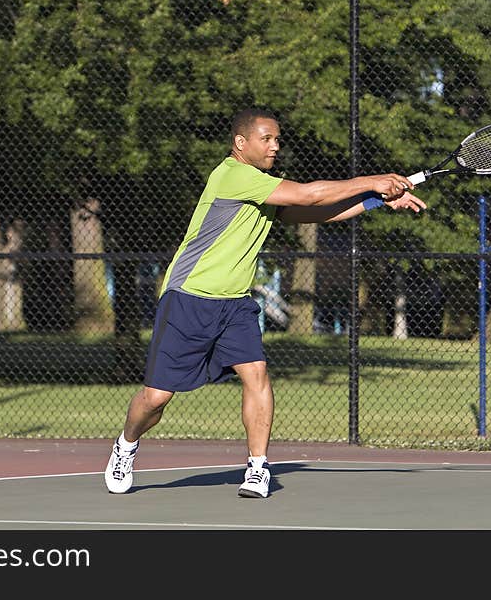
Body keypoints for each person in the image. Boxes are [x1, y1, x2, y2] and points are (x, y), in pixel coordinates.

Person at [104, 107, 426, 498]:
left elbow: (317, 211)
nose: (275, 146)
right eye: (267, 139)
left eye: (277, 139)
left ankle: (257, 468)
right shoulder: (233, 175)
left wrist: (376, 201)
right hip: (189, 298)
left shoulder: (264, 188)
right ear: (241, 144)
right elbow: (311, 193)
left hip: (235, 304)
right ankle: (126, 444)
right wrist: (374, 181)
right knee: (155, 398)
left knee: (256, 375)